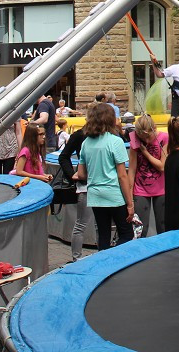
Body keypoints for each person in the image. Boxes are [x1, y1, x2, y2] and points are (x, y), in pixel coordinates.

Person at [76, 102, 135, 247]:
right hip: (113, 194)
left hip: (95, 194)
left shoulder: (86, 143)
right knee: (127, 233)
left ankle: (105, 261)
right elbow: (122, 176)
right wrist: (130, 203)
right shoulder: (115, 142)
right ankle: (117, 260)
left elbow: (81, 173)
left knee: (103, 235)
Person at [58, 119, 93, 261]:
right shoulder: (79, 135)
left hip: (99, 185)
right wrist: (72, 175)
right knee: (81, 223)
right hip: (85, 185)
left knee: (99, 224)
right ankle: (76, 258)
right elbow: (64, 156)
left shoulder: (106, 135)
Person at [128, 113, 168, 237]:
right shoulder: (135, 141)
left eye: (148, 137)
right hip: (141, 189)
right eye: (142, 138)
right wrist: (130, 199)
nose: (146, 141)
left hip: (161, 188)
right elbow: (132, 170)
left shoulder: (164, 138)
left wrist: (145, 152)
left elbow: (162, 166)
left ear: (154, 129)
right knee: (141, 229)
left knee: (163, 227)